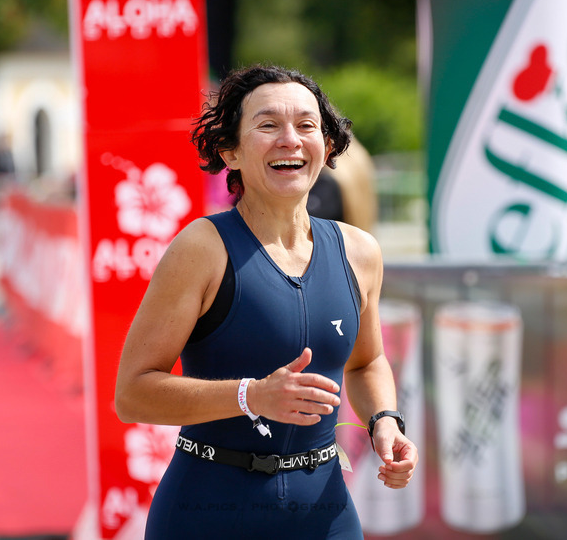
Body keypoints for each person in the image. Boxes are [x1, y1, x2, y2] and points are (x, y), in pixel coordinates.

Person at [115, 64, 418, 539]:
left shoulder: (360, 252)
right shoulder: (201, 248)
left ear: (328, 146)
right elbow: (132, 394)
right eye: (268, 125)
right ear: (229, 151)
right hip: (208, 510)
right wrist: (250, 396)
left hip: (325, 511)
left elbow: (366, 361)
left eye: (306, 125)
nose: (290, 139)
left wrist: (384, 421)